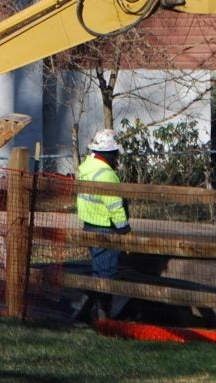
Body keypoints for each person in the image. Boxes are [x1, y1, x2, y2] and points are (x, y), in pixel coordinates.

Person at [74, 128, 131, 320]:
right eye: (115, 154)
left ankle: (83, 312)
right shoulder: (106, 174)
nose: (117, 158)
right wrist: (124, 229)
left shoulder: (87, 167)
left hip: (89, 223)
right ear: (110, 153)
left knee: (98, 271)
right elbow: (114, 205)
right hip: (105, 227)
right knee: (106, 274)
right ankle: (103, 317)